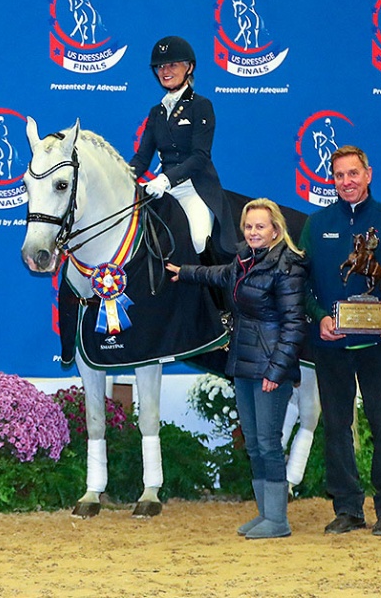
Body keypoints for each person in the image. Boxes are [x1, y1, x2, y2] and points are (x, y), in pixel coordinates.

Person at [166, 198, 307, 539]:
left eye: (260, 226)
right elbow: (217, 275)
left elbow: (294, 325)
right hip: (242, 364)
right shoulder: (244, 259)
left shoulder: (288, 266)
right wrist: (183, 272)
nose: (253, 232)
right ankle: (266, 514)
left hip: (269, 369)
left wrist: (276, 372)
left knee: (269, 444)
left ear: (276, 230)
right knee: (255, 444)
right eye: (248, 226)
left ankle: (278, 520)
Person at [299, 145, 381, 537]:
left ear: (368, 174)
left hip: (377, 345)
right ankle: (347, 507)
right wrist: (319, 319)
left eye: (353, 174)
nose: (346, 182)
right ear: (331, 180)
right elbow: (301, 285)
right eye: (339, 175)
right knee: (336, 425)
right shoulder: (315, 225)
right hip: (330, 346)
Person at [130, 35, 236, 260]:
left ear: (189, 67)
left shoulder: (201, 106)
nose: (165, 70)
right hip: (163, 187)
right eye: (160, 66)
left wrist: (166, 179)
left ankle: (211, 292)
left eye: (172, 65)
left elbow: (200, 157)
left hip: (193, 186)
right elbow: (142, 158)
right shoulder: (156, 112)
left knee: (199, 239)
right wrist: (121, 178)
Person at [281, 366, 321, 498]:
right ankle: (289, 480)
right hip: (308, 360)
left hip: (292, 357)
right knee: (308, 424)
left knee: (290, 409)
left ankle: (283, 478)